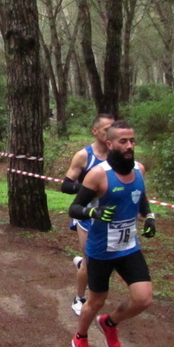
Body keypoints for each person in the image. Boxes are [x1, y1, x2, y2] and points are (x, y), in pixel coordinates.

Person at [67, 121, 157, 347]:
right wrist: (93, 214)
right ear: (110, 144)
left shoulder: (139, 169)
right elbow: (74, 208)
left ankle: (110, 323)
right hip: (101, 249)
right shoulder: (99, 174)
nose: (129, 146)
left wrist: (148, 216)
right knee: (96, 300)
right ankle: (80, 337)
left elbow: (140, 195)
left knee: (143, 298)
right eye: (123, 141)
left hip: (128, 247)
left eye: (132, 141)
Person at [61, 113, 115, 315]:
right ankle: (79, 298)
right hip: (87, 214)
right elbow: (66, 185)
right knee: (91, 260)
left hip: (109, 216)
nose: (110, 132)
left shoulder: (116, 154)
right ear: (95, 131)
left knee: (107, 259)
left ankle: (82, 264)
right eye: (106, 128)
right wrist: (89, 190)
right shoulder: (84, 155)